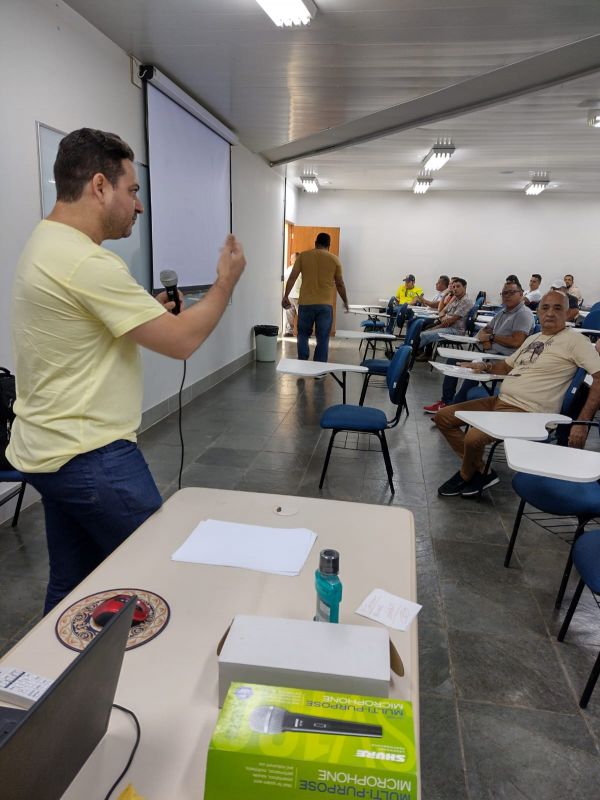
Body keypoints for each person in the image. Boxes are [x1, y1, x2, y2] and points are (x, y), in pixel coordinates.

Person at [6, 128, 246, 613]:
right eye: (133, 191)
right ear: (99, 186)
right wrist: (224, 283)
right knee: (163, 577)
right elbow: (181, 342)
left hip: (48, 450)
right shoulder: (85, 261)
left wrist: (149, 309)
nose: (138, 206)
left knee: (73, 588)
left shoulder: (46, 241)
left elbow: (83, 324)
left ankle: (56, 679)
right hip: (90, 457)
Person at [435, 290, 600, 498]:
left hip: (529, 411)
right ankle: (481, 472)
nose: (550, 313)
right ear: (538, 311)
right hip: (501, 401)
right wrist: (483, 366)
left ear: (568, 313)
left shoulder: (576, 342)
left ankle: (467, 474)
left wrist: (581, 422)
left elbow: (599, 378)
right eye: (545, 308)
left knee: (473, 438)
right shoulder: (534, 337)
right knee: (443, 417)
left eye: (557, 308)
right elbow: (505, 366)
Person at [423, 280, 534, 413]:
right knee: (453, 360)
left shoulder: (523, 314)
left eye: (512, 292)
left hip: (504, 359)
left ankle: (454, 409)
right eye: (504, 293)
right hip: (489, 353)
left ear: (521, 294)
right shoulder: (503, 313)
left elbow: (517, 341)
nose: (507, 295)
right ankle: (446, 401)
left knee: (474, 369)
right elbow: (482, 332)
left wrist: (491, 338)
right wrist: (488, 340)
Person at [282, 232, 349, 362]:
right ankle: (319, 368)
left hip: (306, 304)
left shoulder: (304, 256)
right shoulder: (334, 259)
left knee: (302, 335)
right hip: (324, 306)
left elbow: (292, 277)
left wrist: (285, 296)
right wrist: (345, 300)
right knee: (323, 338)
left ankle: (302, 361)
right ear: (329, 245)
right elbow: (340, 284)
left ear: (315, 243)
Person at [414, 278, 472, 361]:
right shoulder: (455, 298)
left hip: (456, 331)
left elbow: (451, 320)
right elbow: (442, 311)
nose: (455, 289)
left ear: (465, 287)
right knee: (424, 331)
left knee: (424, 335)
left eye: (458, 286)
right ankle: (410, 351)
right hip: (447, 326)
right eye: (454, 286)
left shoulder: (466, 301)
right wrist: (443, 318)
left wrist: (440, 322)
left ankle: (409, 353)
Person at [283, 251, 301, 336]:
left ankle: (289, 331)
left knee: (289, 315)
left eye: (292, 258)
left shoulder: (289, 269)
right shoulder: (303, 269)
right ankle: (301, 333)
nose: (291, 260)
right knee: (302, 316)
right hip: (295, 296)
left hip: (294, 296)